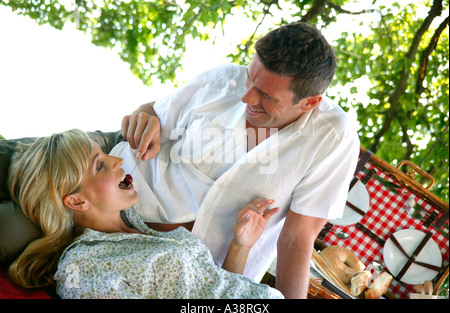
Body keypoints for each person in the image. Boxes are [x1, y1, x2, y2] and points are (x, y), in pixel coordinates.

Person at [118, 22, 360, 298]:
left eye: (267, 96)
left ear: (310, 102)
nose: (246, 97)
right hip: (115, 218)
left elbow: (297, 239)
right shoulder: (221, 79)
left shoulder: (333, 138)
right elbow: (153, 111)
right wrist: (142, 116)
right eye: (249, 78)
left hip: (199, 281)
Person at [7, 129, 283, 298]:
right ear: (77, 202)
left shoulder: (139, 225)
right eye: (100, 165)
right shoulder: (82, 268)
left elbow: (218, 291)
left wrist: (240, 245)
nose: (118, 161)